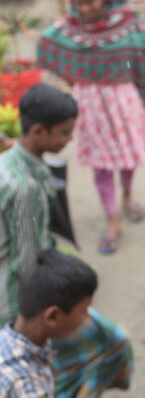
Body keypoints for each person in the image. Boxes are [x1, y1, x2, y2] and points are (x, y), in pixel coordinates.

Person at [36, 0, 145, 255]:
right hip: (88, 105)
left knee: (127, 157)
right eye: (79, 2)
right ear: (71, 1)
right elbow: (46, 46)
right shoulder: (68, 29)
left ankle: (127, 197)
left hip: (122, 99)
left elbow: (142, 54)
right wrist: (78, 78)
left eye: (91, 1)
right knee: (101, 163)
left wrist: (140, 90)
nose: (86, 8)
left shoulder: (128, 24)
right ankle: (112, 218)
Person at [1, 248, 133, 398]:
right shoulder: (30, 389)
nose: (88, 316)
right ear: (52, 317)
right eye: (83, 310)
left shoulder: (8, 338)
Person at [0, 84, 76, 326]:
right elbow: (28, 263)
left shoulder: (8, 160)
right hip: (13, 305)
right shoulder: (25, 188)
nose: (70, 139)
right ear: (38, 131)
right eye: (64, 133)